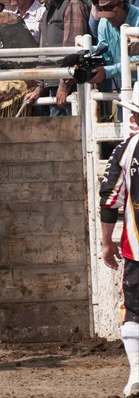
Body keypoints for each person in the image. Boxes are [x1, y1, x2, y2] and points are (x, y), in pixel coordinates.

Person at [100, 83, 139, 398]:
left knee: (135, 313)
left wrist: (106, 242)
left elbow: (111, 198)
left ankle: (137, 375)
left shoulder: (128, 150)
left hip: (137, 250)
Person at [23, 0, 90, 116]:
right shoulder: (47, 11)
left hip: (69, 86)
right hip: (54, 84)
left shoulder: (73, 5)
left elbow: (73, 50)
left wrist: (64, 85)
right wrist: (39, 88)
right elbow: (43, 52)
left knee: (70, 127)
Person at [87, 0, 139, 86]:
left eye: (110, 12)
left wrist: (107, 71)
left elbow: (137, 59)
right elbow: (106, 56)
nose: (108, 18)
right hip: (124, 83)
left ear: (123, 5)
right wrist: (90, 64)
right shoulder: (104, 23)